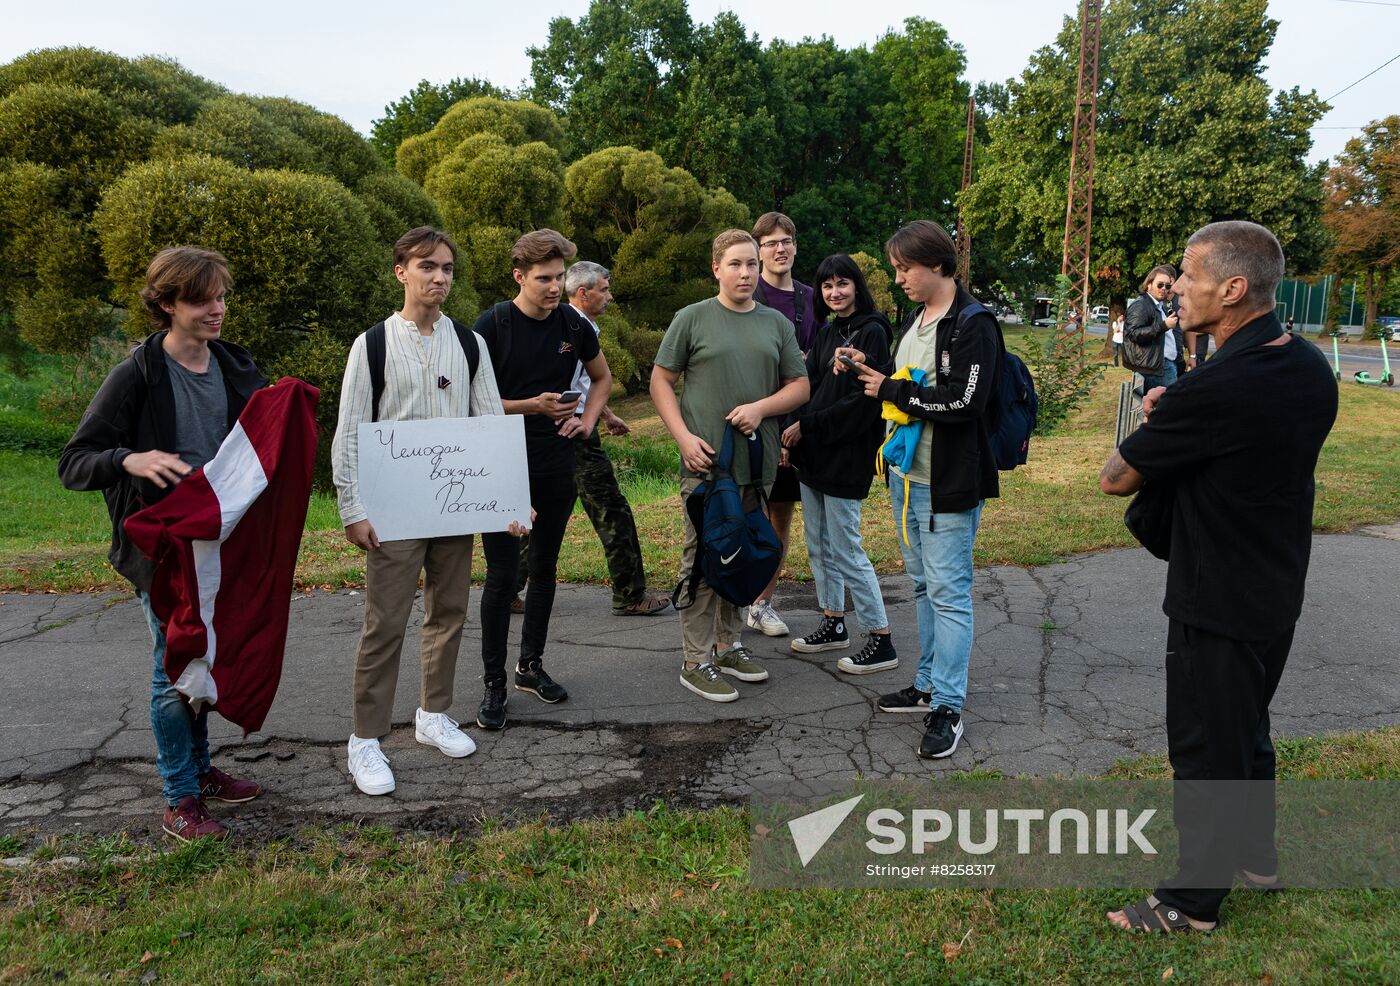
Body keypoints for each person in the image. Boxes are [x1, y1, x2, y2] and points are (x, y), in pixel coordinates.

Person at [1099, 221, 1337, 934]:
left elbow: (1117, 478)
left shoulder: (1218, 387)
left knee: (1205, 745)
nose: (1176, 295)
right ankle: (1256, 859)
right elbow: (1248, 440)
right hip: (1277, 580)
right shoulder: (1305, 363)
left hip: (1216, 590)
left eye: (1190, 281)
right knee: (1247, 730)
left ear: (1233, 289)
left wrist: (1162, 419)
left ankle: (1191, 902)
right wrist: (1183, 414)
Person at [59, 246, 267, 840]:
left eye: (222, 296)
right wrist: (131, 459)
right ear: (167, 303)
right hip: (163, 549)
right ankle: (179, 794)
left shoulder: (232, 365)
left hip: (220, 545)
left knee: (200, 658)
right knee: (170, 667)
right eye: (203, 299)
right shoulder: (137, 374)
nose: (217, 308)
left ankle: (200, 773)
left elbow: (261, 434)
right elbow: (73, 463)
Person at [333, 227, 510, 796]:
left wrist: (506, 498)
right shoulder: (373, 344)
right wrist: (352, 506)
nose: (439, 277)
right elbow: (350, 431)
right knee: (384, 623)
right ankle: (365, 739)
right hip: (393, 510)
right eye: (427, 266)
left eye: (448, 269)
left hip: (454, 504)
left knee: (449, 611)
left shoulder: (469, 344)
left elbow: (488, 426)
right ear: (400, 272)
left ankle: (433, 714)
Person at [835, 220, 1002, 759]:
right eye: (896, 268)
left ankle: (948, 706)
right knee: (925, 588)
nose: (899, 277)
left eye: (905, 268)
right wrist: (871, 370)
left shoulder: (973, 324)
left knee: (950, 596)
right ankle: (927, 684)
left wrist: (893, 389)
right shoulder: (919, 317)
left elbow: (963, 402)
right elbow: (907, 377)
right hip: (907, 479)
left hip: (947, 481)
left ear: (938, 265)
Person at [650, 229, 809, 702]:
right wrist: (683, 438)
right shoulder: (692, 319)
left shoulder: (774, 324)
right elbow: (662, 380)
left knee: (744, 555)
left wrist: (762, 409)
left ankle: (728, 644)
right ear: (716, 268)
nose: (746, 273)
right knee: (704, 556)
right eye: (736, 264)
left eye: (752, 265)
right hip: (707, 467)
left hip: (756, 465)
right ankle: (695, 659)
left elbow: (799, 387)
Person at [472, 230, 612, 729]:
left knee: (547, 568)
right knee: (504, 575)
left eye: (558, 278)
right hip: (500, 461)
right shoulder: (493, 324)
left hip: (555, 461)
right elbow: (471, 401)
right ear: (519, 276)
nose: (554, 288)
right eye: (544, 279)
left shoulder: (573, 322)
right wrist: (530, 406)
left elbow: (602, 378)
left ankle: (529, 666)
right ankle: (493, 683)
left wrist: (588, 421)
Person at [510, 261, 669, 617]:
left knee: (543, 513)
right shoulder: (570, 326)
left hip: (571, 425)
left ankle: (507, 586)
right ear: (583, 293)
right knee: (611, 510)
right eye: (605, 289)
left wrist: (606, 416)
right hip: (569, 432)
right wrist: (586, 421)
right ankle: (630, 594)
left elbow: (582, 385)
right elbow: (560, 386)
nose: (610, 296)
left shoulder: (577, 325)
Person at [782, 254, 897, 672]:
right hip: (814, 455)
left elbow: (862, 406)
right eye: (827, 285)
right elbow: (806, 386)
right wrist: (794, 428)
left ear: (857, 286)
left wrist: (806, 426)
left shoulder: (873, 332)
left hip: (847, 457)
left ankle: (880, 637)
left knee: (846, 549)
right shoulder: (829, 334)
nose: (835, 292)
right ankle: (833, 622)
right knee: (819, 545)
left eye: (843, 284)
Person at [743, 211, 816, 638]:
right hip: (755, 422)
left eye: (786, 240)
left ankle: (762, 603)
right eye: (770, 243)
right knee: (744, 513)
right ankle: (732, 594)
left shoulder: (811, 298)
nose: (780, 249)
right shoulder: (748, 294)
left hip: (799, 422)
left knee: (780, 519)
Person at [1123, 266, 1181, 390]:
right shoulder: (1141, 305)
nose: (1164, 289)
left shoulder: (1158, 304)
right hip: (1154, 368)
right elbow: (1133, 334)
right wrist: (1163, 326)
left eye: (1167, 286)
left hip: (1161, 365)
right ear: (1149, 284)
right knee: (1170, 406)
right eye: (1160, 285)